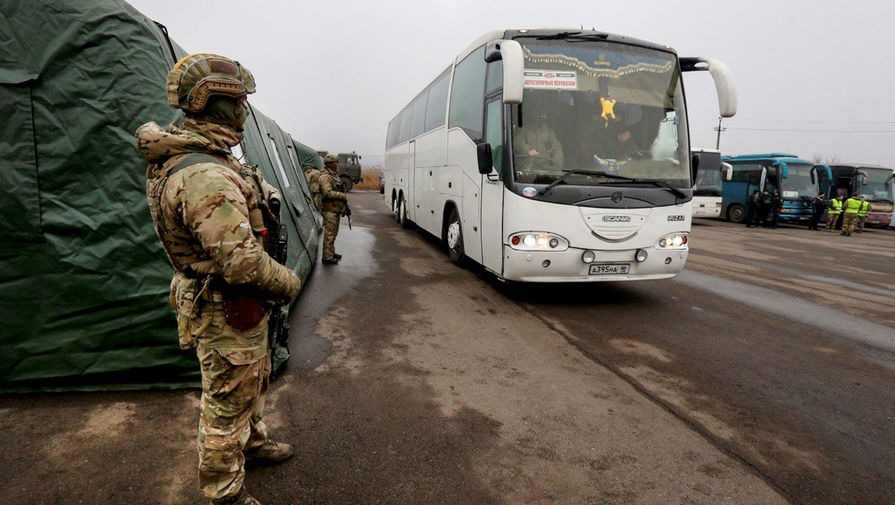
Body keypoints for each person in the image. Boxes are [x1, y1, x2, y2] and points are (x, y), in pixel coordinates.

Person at [137, 54, 301, 505]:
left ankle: (252, 442)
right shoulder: (204, 174)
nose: (244, 111)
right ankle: (224, 492)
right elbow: (243, 264)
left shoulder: (207, 158)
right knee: (226, 403)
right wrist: (289, 283)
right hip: (225, 305)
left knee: (253, 380)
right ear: (216, 105)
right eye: (238, 102)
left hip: (236, 305)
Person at [319, 153, 348, 264]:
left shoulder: (333, 175)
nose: (337, 164)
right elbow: (327, 193)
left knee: (333, 233)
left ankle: (331, 252)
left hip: (335, 209)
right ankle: (327, 257)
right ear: (329, 164)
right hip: (330, 209)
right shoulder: (325, 177)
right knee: (329, 234)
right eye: (335, 162)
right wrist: (342, 196)